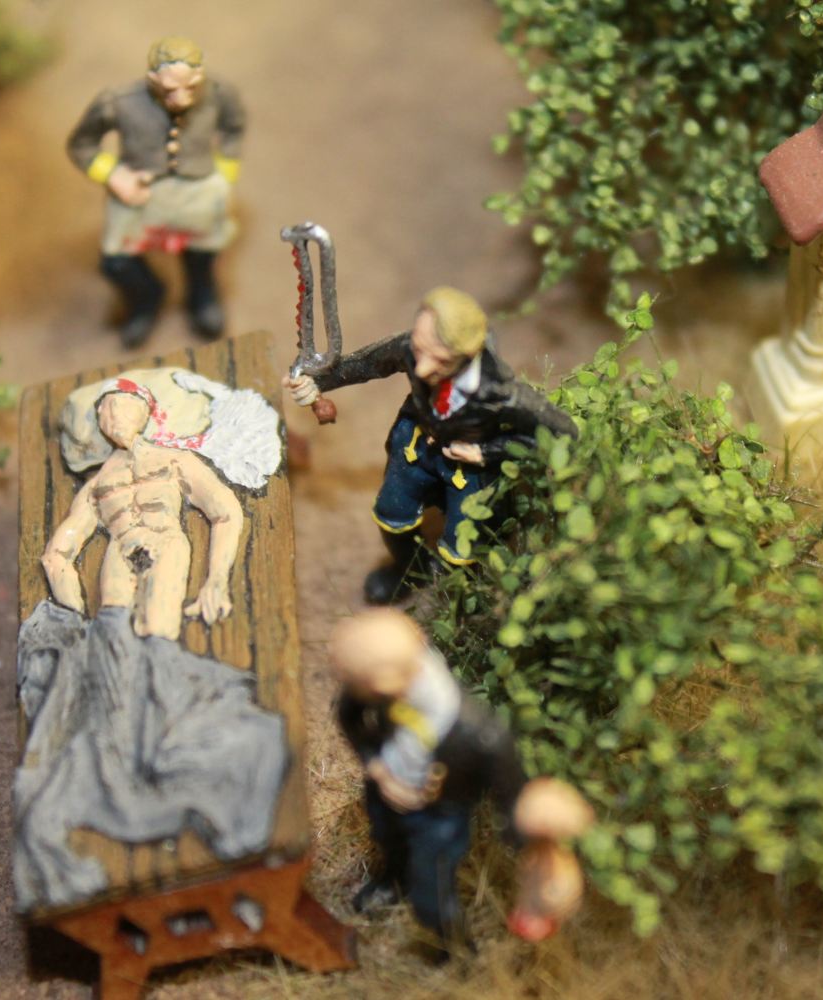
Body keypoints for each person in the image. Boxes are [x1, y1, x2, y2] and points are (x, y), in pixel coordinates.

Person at [285, 287, 576, 604]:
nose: (422, 369)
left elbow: (562, 433)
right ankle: (409, 570)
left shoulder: (502, 394)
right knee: (391, 513)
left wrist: (487, 452)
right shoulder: (412, 347)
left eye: (439, 359)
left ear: (466, 353)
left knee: (464, 543)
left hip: (467, 468)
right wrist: (317, 381)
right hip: (417, 445)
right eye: (419, 350)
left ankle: (460, 595)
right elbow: (368, 363)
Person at [329, 608, 531, 959]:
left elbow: (504, 769)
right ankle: (393, 880)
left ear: (383, 683)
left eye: (358, 683)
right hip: (390, 788)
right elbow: (348, 714)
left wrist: (520, 828)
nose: (353, 689)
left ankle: (453, 947)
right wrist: (378, 769)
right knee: (388, 837)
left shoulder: (469, 728)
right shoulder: (380, 682)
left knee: (431, 890)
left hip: (438, 812)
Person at [67, 36, 246, 347]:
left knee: (203, 250)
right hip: (140, 190)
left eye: (191, 88)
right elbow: (81, 145)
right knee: (116, 260)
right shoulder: (117, 102)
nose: (182, 99)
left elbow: (234, 128)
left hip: (198, 188)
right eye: (170, 90)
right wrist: (113, 175)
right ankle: (147, 297)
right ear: (152, 79)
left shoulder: (219, 94)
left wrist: (224, 174)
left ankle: (201, 294)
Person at [41, 381, 243, 639]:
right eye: (109, 407)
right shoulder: (97, 485)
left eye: (125, 405)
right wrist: (74, 615)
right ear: (100, 416)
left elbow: (226, 512)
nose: (116, 413)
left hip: (165, 543)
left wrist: (217, 581)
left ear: (145, 412)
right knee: (113, 629)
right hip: (120, 551)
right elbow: (55, 556)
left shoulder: (174, 461)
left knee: (158, 631)